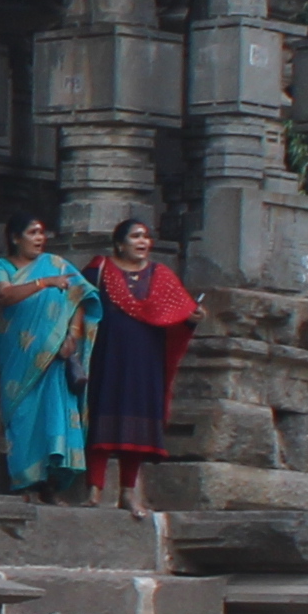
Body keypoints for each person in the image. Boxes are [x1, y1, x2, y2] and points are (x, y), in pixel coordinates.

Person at [82, 214, 196, 501]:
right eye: (135, 236)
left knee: (137, 427)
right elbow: (77, 305)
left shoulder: (162, 276)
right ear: (119, 244)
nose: (143, 241)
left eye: (145, 236)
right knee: (101, 420)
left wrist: (192, 319)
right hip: (106, 357)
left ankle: (128, 492)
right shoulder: (99, 270)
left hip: (146, 361)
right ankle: (94, 488)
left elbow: (179, 315)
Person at [0, 216, 88, 503]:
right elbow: (2, 295)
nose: (40, 238)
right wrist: (43, 283)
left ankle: (50, 485)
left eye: (43, 232)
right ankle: (25, 482)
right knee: (22, 414)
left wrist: (72, 337)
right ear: (16, 238)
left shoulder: (58, 265)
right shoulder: (1, 267)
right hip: (18, 355)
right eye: (33, 232)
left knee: (53, 415)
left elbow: (79, 299)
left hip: (55, 358)